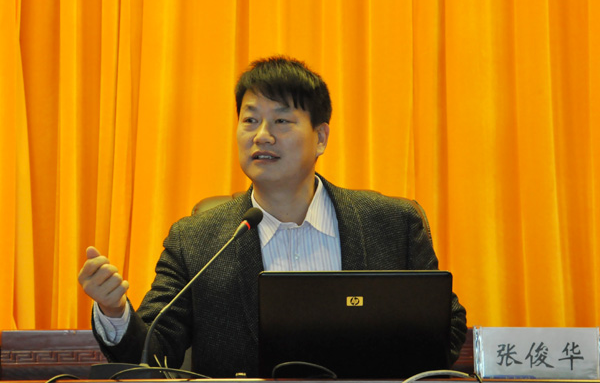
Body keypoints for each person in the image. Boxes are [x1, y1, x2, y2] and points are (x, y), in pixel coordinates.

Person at [78, 56, 467, 377]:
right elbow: (154, 352)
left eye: (281, 121)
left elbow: (445, 332)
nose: (262, 135)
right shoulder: (197, 241)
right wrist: (115, 311)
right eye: (250, 120)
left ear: (321, 137)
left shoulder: (393, 225)